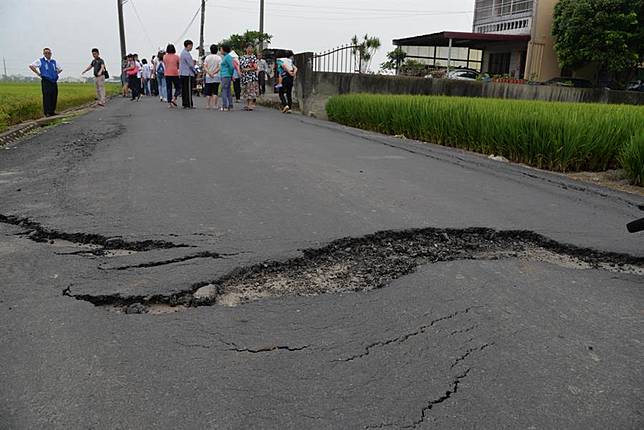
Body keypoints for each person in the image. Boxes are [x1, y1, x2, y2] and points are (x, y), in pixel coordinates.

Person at [29, 47, 63, 117]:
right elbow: (31, 66)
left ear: (51, 54)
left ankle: (52, 111)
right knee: (47, 96)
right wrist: (38, 73)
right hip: (46, 81)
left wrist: (55, 73)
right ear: (44, 54)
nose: (48, 54)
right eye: (46, 53)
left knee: (54, 96)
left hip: (53, 81)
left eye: (49, 53)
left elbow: (60, 69)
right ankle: (47, 112)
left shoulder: (54, 62)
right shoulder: (41, 61)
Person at [219, 44, 239, 111]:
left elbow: (232, 66)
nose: (220, 50)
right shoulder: (227, 57)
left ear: (224, 50)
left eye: (221, 49)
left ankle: (225, 106)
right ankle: (230, 105)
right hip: (226, 75)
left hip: (226, 75)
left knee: (224, 91)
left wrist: (230, 74)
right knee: (228, 91)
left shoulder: (227, 57)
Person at [239, 44, 259, 111]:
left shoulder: (253, 57)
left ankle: (250, 105)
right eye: (248, 48)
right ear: (246, 49)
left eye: (251, 48)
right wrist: (242, 70)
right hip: (244, 77)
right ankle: (247, 104)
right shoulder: (242, 57)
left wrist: (248, 69)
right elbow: (240, 67)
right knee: (245, 90)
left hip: (251, 77)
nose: (250, 49)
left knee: (251, 90)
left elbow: (256, 67)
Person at [203, 44, 221, 110]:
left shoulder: (207, 57)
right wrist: (213, 73)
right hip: (216, 76)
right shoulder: (218, 58)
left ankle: (208, 105)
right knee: (215, 91)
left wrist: (209, 73)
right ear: (217, 50)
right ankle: (215, 105)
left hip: (208, 76)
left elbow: (205, 66)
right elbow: (219, 67)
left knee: (208, 91)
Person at [179, 40, 196, 109]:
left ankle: (185, 104)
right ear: (188, 45)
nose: (192, 47)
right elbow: (191, 65)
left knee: (184, 89)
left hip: (183, 73)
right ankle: (188, 104)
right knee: (188, 90)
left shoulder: (182, 53)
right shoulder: (186, 54)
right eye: (191, 46)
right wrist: (195, 71)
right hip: (188, 74)